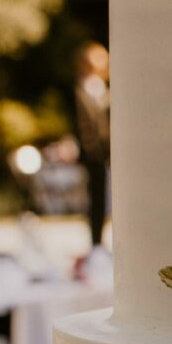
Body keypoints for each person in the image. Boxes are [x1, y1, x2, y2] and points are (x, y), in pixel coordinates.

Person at [73, 42, 111, 249]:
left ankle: (101, 238)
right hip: (94, 156)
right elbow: (86, 126)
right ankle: (96, 240)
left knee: (105, 198)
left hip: (106, 153)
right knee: (95, 198)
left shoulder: (101, 88)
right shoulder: (82, 89)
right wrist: (93, 150)